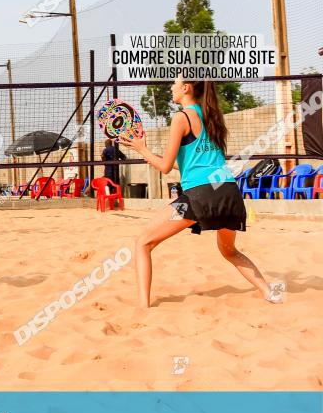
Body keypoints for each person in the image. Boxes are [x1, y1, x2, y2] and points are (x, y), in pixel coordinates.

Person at [118, 79, 277, 308]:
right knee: (229, 251)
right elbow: (183, 165)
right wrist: (149, 153)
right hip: (229, 193)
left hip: (200, 196)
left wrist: (142, 149)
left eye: (175, 83)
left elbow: (163, 167)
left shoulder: (181, 118)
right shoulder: (211, 116)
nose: (171, 87)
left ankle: (143, 306)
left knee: (143, 242)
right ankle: (269, 292)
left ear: (186, 88)